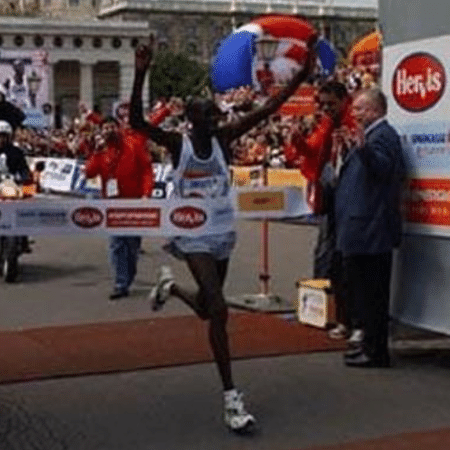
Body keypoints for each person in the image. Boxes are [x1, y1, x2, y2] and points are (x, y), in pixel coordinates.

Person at [129, 36, 314, 432]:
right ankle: (232, 398)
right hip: (191, 235)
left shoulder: (223, 139)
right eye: (209, 119)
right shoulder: (178, 145)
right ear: (193, 122)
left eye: (217, 118)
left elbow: (270, 108)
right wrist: (141, 74)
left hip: (222, 233)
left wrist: (303, 74)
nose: (217, 123)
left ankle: (173, 289)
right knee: (220, 309)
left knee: (206, 309)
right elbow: (137, 124)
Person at [334, 89, 405, 368]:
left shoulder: (384, 135)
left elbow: (384, 170)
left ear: (376, 110)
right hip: (361, 228)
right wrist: (349, 150)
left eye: (361, 109)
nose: (355, 113)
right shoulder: (369, 137)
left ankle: (376, 351)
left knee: (372, 294)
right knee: (361, 293)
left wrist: (362, 150)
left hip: (372, 230)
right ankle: (367, 345)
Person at [283, 81, 358, 341]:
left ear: (344, 100)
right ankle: (320, 304)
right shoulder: (328, 122)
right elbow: (314, 151)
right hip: (331, 197)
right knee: (326, 252)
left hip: (346, 199)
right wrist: (297, 140)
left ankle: (335, 311)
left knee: (336, 255)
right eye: (322, 104)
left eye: (330, 104)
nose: (326, 109)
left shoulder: (352, 122)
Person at [84, 117, 154, 300]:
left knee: (132, 245)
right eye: (105, 128)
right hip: (112, 206)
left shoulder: (134, 145)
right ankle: (120, 283)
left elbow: (147, 169)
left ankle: (128, 275)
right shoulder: (101, 151)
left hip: (133, 203)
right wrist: (95, 153)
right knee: (116, 244)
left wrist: (147, 194)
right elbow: (89, 173)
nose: (109, 131)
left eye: (111, 127)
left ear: (118, 128)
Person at [0, 120, 33, 253]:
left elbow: (24, 169)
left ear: (9, 137)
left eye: (3, 136)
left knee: (23, 207)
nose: (1, 139)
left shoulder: (16, 152)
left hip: (9, 184)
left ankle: (23, 239)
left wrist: (28, 182)